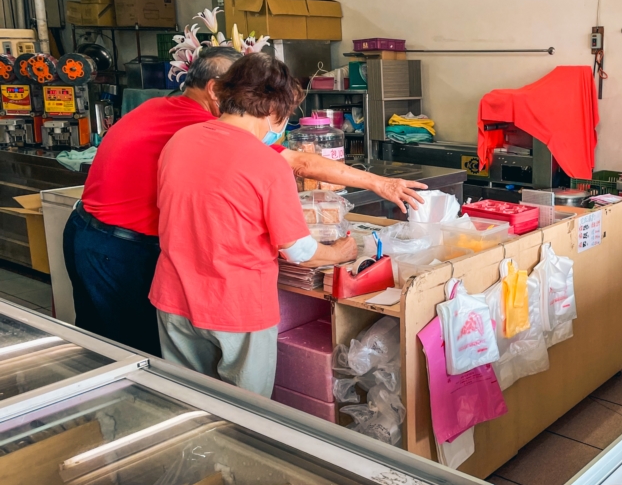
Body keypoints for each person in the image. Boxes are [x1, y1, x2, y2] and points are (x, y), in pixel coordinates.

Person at [64, 47, 424, 356]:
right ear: (216, 90)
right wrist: (380, 188)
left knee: (105, 348)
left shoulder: (174, 123)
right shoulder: (213, 134)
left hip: (91, 236)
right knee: (134, 355)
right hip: (127, 253)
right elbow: (296, 176)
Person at [150, 54, 357, 395]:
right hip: (237, 308)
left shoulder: (178, 142)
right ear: (276, 111)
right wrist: (339, 251)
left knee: (189, 404)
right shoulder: (266, 164)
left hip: (174, 299)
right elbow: (299, 250)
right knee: (247, 418)